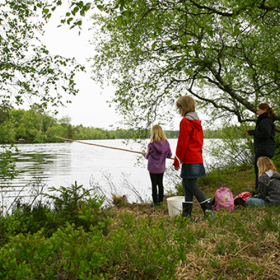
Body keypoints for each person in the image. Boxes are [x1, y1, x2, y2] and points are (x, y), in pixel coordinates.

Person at [173, 96, 215, 220]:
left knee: (192, 185)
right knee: (186, 184)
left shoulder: (186, 121)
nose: (179, 110)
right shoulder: (197, 122)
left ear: (183, 107)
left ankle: (209, 213)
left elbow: (182, 143)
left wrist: (177, 160)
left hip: (190, 159)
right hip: (197, 157)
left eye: (179, 107)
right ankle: (186, 215)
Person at [248, 103, 276, 191]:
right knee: (265, 171)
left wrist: (253, 132)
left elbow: (265, 134)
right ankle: (265, 189)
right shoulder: (265, 120)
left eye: (259, 110)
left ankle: (260, 190)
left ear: (264, 110)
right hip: (264, 149)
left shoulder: (266, 121)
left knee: (260, 171)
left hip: (264, 149)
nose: (257, 112)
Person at [144, 125, 172, 207]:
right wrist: (164, 155)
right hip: (161, 167)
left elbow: (147, 156)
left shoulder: (151, 145)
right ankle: (160, 201)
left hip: (152, 167)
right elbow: (169, 155)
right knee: (160, 184)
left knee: (154, 184)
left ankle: (155, 203)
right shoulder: (166, 143)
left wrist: (144, 154)